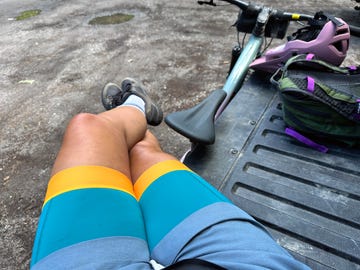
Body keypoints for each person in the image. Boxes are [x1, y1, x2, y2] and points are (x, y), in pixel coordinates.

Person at [30, 78, 311, 269]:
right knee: (140, 153)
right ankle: (133, 116)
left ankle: (133, 107)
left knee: (90, 128)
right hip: (237, 262)